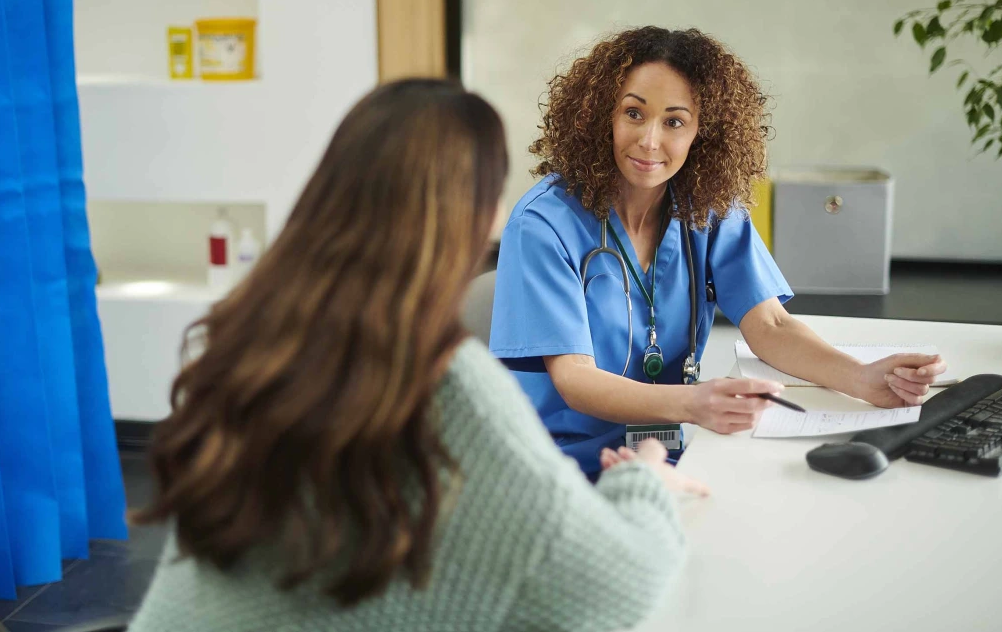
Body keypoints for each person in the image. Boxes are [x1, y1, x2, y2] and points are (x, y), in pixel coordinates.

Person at [128, 79, 705, 632]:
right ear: (472, 221)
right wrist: (646, 480)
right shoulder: (446, 385)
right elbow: (618, 583)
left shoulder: (251, 335)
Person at [489, 27, 947, 476]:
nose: (650, 140)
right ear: (599, 116)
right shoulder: (544, 225)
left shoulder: (704, 208)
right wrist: (694, 402)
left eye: (674, 121)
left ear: (701, 134)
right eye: (633, 113)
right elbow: (574, 379)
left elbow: (769, 324)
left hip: (667, 449)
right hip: (567, 465)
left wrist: (862, 379)